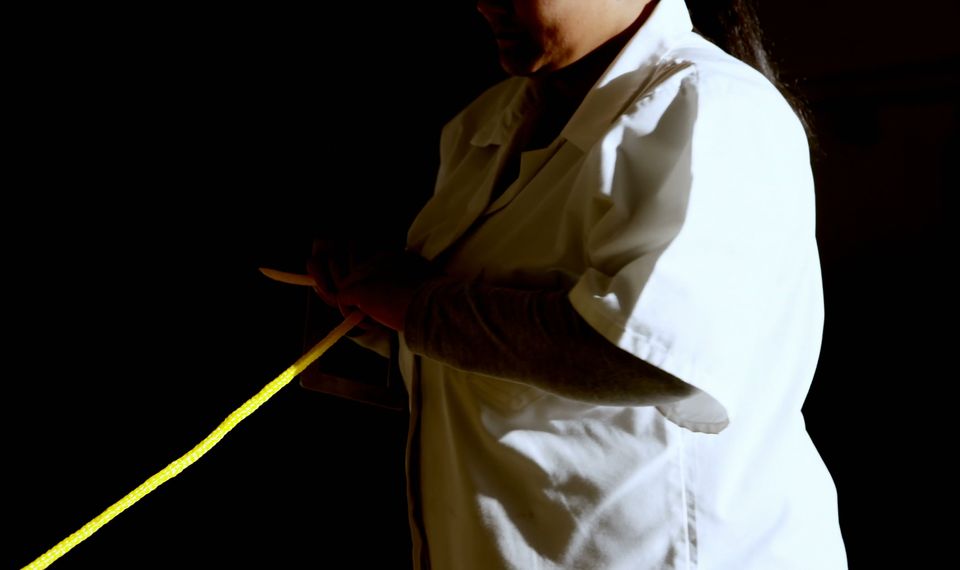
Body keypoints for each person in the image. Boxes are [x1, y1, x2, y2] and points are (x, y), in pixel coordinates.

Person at [307, 0, 847, 568]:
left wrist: (419, 308)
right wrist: (377, 312)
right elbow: (496, 367)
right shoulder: (481, 125)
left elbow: (649, 357)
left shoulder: (705, 104)